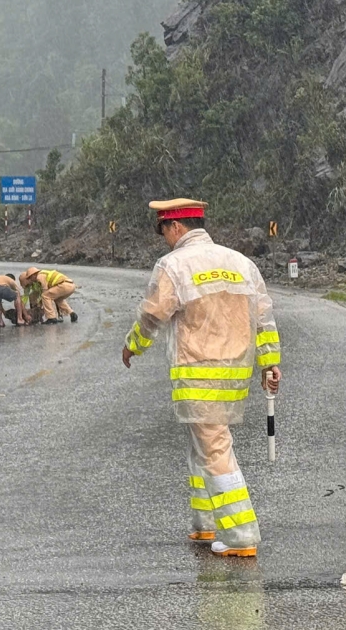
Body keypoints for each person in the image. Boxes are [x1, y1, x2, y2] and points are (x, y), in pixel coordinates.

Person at [121, 198, 282, 557]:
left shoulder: (174, 264)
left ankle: (240, 535)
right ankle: (205, 523)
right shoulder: (241, 263)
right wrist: (270, 363)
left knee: (215, 448)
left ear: (175, 227)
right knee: (203, 445)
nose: (164, 238)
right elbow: (264, 317)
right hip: (235, 372)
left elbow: (152, 315)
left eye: (163, 230)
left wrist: (133, 345)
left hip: (198, 371)